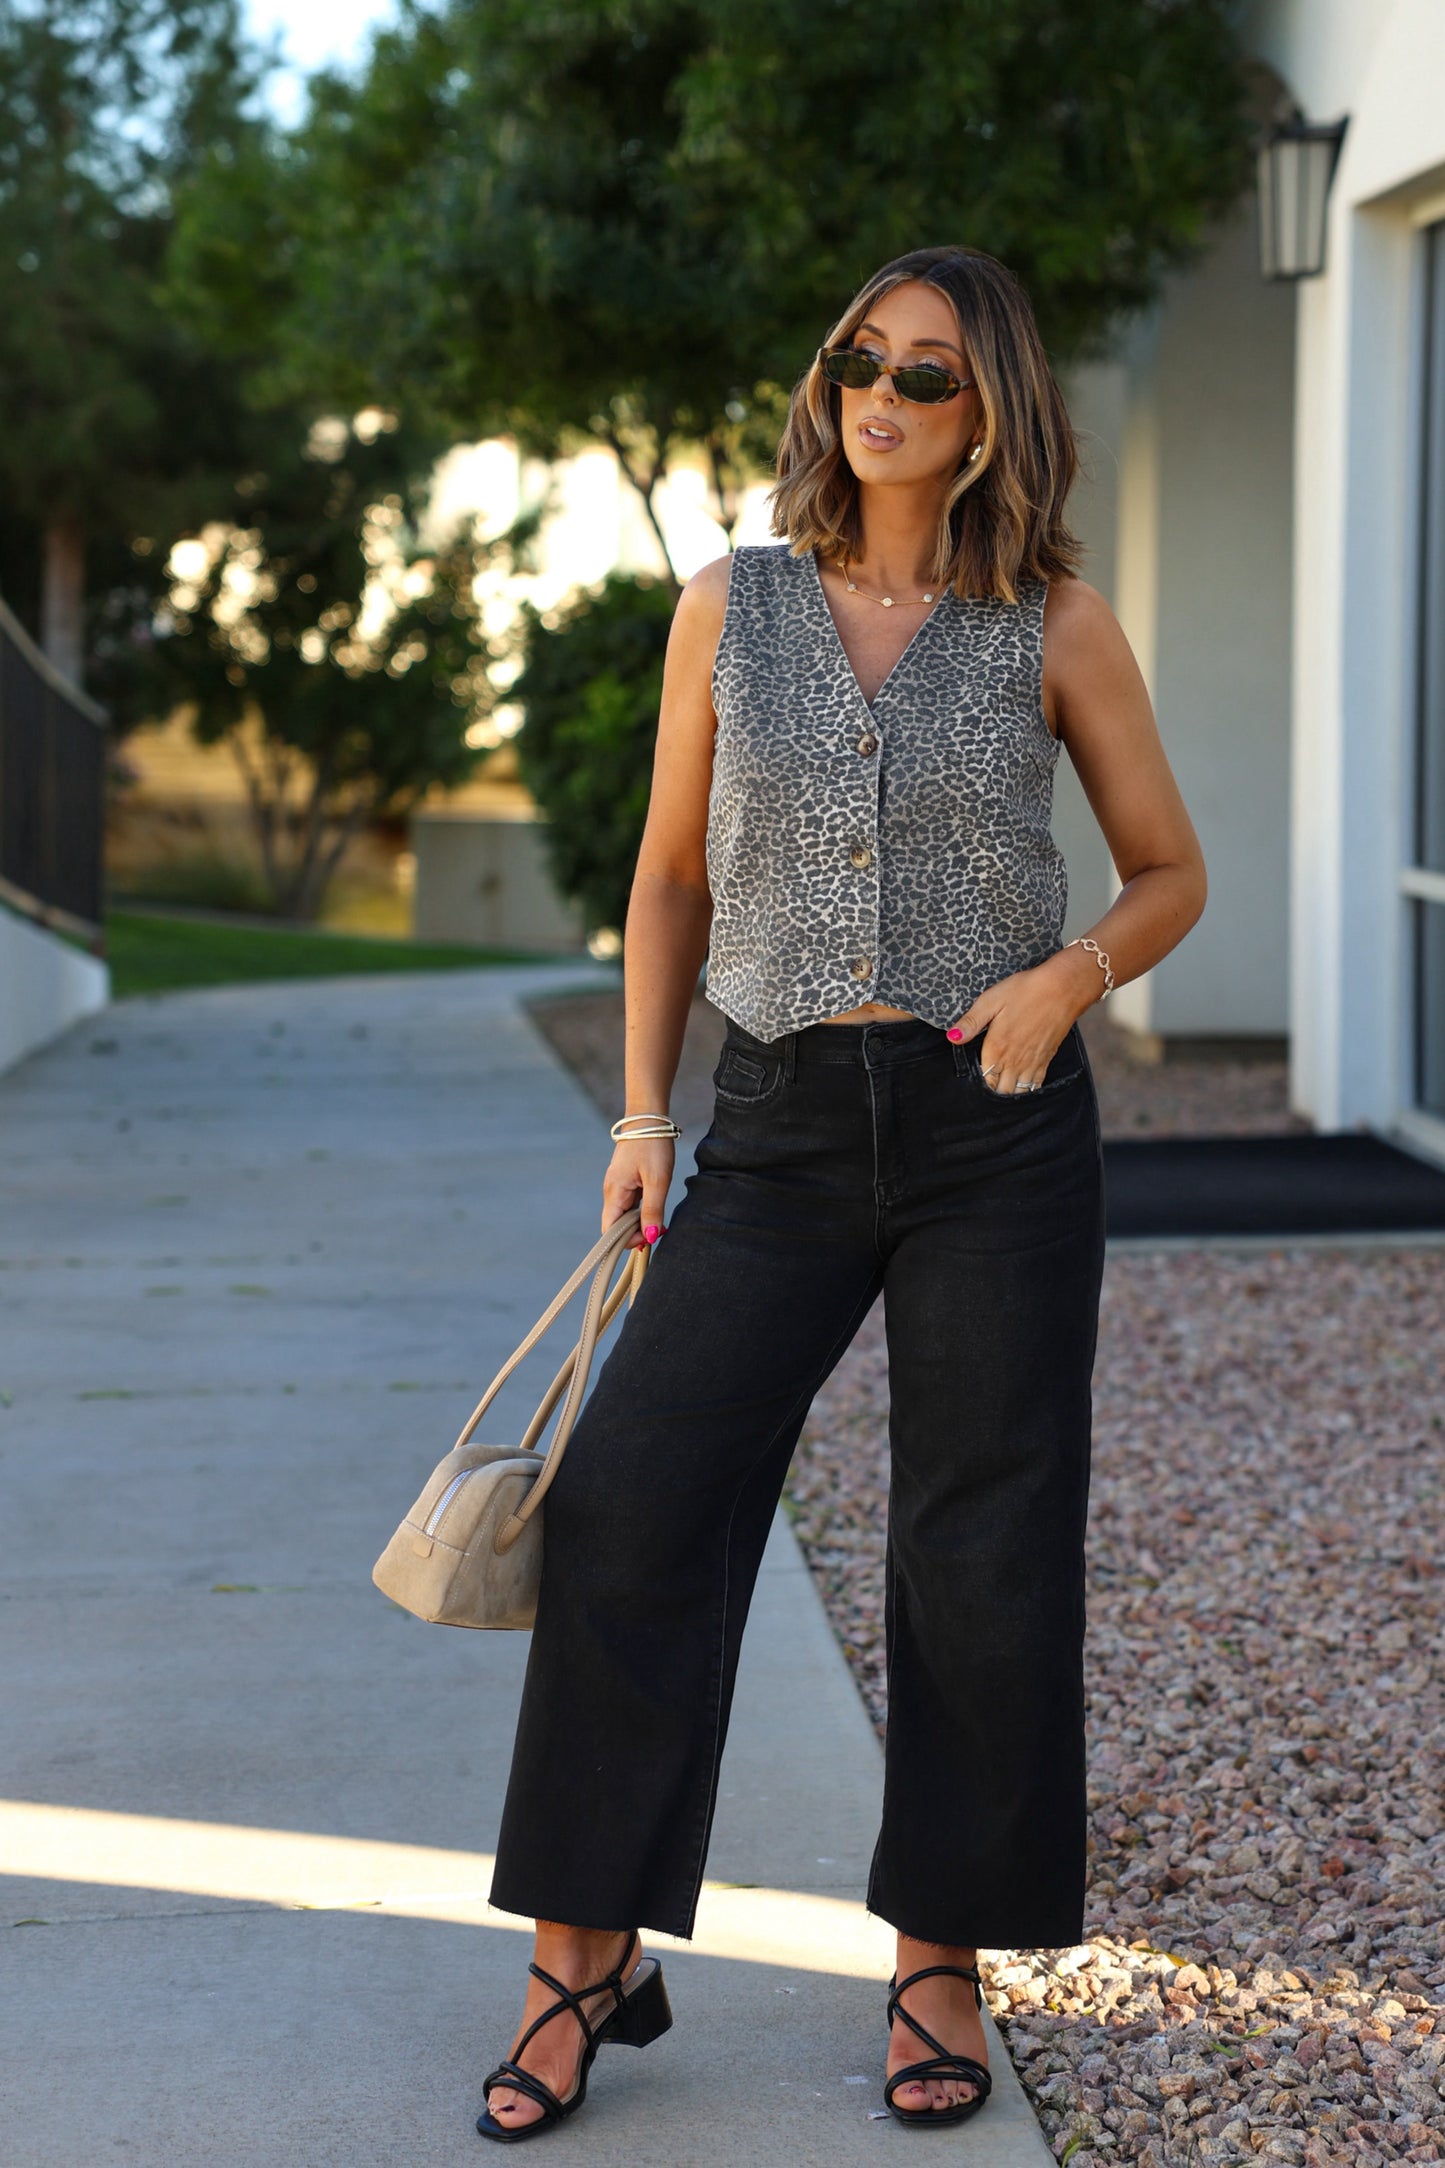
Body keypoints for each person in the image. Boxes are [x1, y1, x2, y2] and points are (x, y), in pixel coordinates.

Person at [476, 243, 1207, 2141]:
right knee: (634, 1498)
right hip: (782, 1123)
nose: (878, 389)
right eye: (856, 357)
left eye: (930, 372)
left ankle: (939, 1957)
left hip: (996, 1128)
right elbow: (663, 883)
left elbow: (1163, 873)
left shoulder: (1055, 622)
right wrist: (643, 1120)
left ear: (995, 418)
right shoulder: (733, 603)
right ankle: (583, 1955)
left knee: (978, 1540)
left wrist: (1068, 980)